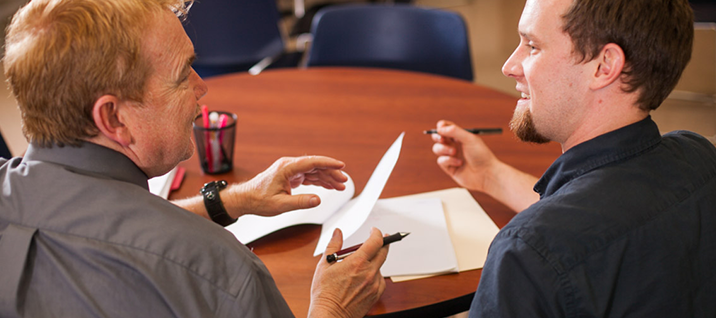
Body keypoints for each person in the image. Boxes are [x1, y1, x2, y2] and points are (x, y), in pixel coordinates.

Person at [0, 0, 388, 317]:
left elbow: (94, 230)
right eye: (183, 73)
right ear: (114, 118)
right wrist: (333, 307)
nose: (202, 87)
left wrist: (228, 201)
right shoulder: (219, 274)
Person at [431, 0, 716, 317]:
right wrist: (490, 175)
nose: (510, 65)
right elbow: (598, 215)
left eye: (533, 46)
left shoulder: (526, 254)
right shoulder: (701, 157)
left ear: (604, 66)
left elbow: (561, 237)